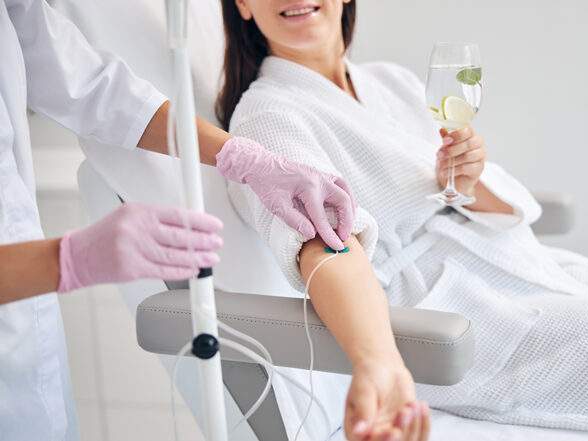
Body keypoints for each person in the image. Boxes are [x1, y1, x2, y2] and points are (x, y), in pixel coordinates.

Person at [217, 1, 588, 441]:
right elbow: (323, 242)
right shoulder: (270, 115)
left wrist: (468, 176)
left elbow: (475, 202)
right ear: (242, 4)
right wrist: (377, 360)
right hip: (455, 313)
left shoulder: (391, 83)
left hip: (515, 263)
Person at [0, 0, 355, 439]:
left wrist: (242, 158)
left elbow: (94, 88)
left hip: (23, 342)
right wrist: (66, 259)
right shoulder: (271, 110)